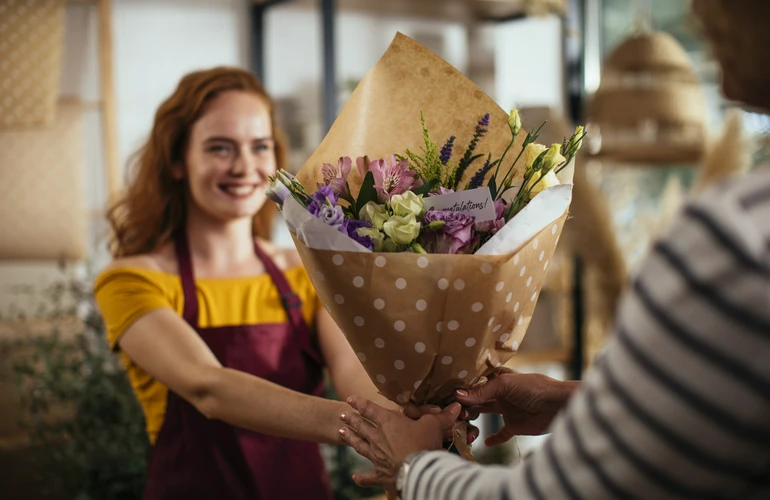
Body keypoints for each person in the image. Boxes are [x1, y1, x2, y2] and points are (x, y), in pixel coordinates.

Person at [337, 1, 770, 498]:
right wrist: (579, 404)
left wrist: (414, 468)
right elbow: (722, 411)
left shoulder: (739, 234)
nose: (699, 19)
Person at [94, 67, 414, 500]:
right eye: (220, 148)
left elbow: (352, 371)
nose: (245, 166)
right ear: (176, 160)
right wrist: (370, 431)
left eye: (259, 146)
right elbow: (210, 387)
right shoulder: (131, 280)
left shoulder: (306, 271)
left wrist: (412, 418)